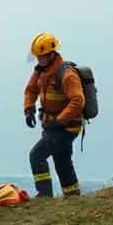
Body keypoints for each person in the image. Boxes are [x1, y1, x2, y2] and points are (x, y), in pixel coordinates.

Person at [23, 31, 85, 198]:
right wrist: (29, 108)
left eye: (41, 56)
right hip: (52, 126)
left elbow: (78, 101)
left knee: (36, 155)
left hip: (65, 128)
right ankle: (73, 197)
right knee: (62, 161)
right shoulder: (41, 71)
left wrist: (59, 121)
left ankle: (44, 195)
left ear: (51, 54)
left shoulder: (67, 75)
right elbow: (30, 90)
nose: (38, 60)